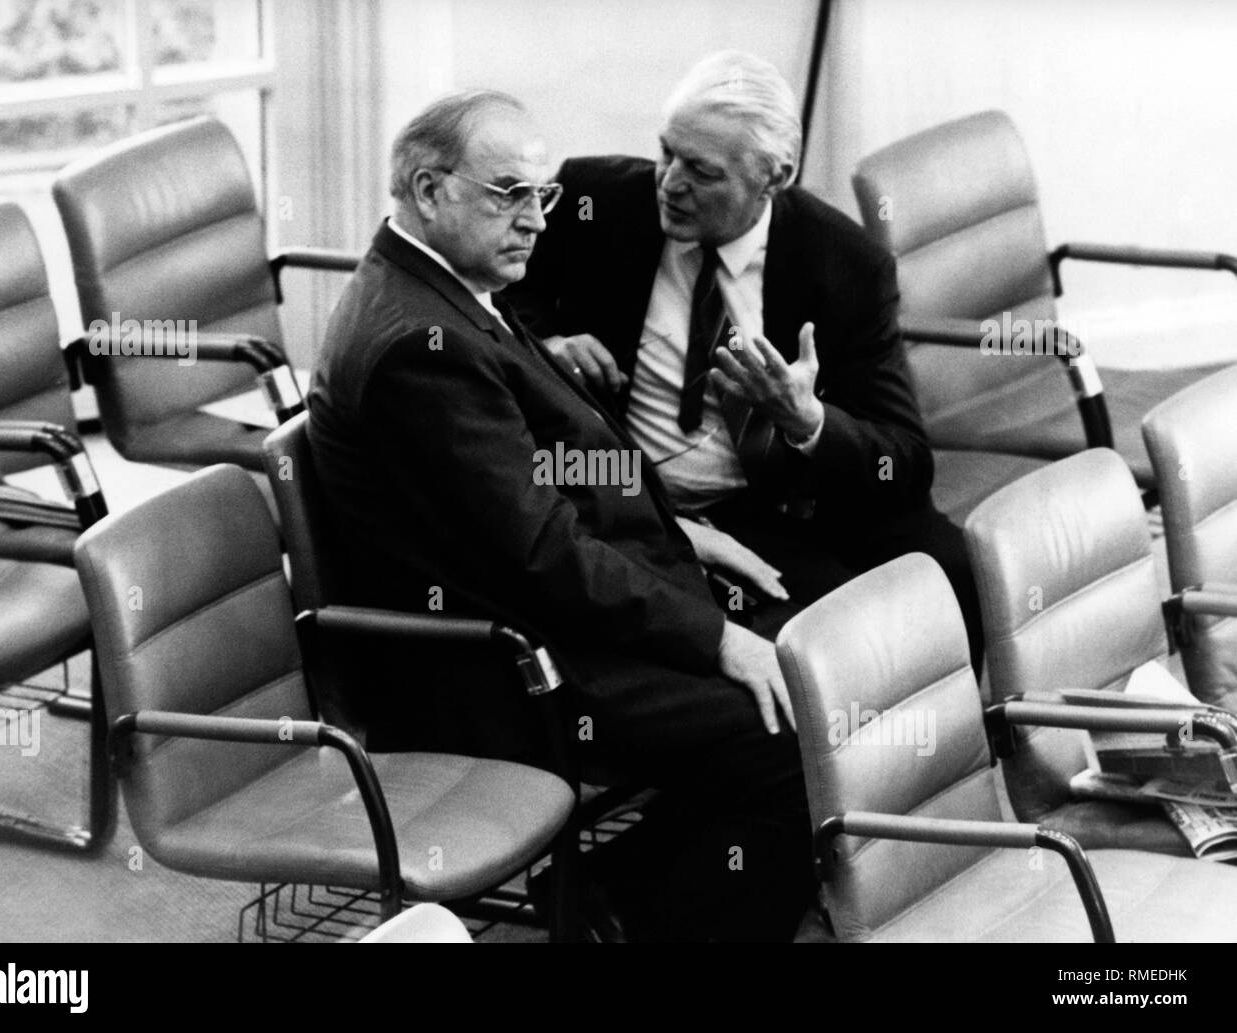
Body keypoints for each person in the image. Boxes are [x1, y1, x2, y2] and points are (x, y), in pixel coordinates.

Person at [306, 89, 811, 941]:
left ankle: (618, 891)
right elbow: (542, 554)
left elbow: (533, 477)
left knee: (809, 651)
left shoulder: (445, 289)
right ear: (429, 192)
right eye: (511, 193)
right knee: (780, 728)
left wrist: (684, 533)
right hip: (498, 663)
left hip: (543, 610)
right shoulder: (416, 348)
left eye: (542, 195)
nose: (539, 219)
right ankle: (646, 915)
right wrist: (713, 636)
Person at [504, 51, 984, 669]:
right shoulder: (596, 201)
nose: (670, 182)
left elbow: (905, 459)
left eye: (701, 172)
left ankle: (961, 749)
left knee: (946, 575)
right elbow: (503, 293)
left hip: (779, 499)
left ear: (773, 178)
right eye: (666, 152)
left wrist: (807, 419)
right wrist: (547, 345)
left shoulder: (843, 262)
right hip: (632, 496)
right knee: (832, 639)